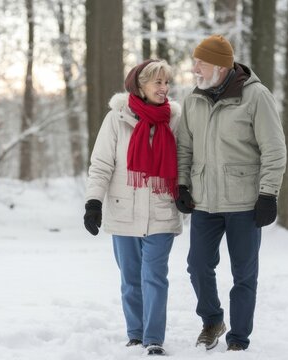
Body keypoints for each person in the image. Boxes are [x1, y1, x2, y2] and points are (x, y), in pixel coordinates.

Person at [175, 35, 286, 352]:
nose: (195, 67)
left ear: (221, 65)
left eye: (201, 62)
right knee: (197, 265)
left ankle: (239, 338)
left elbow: (274, 149)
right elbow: (184, 147)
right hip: (204, 202)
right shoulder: (192, 99)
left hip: (244, 202)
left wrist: (268, 194)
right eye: (195, 61)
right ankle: (212, 320)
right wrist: (182, 184)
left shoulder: (256, 96)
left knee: (244, 273)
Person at [83, 59, 182, 356]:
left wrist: (186, 189)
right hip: (123, 209)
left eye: (167, 82)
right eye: (157, 82)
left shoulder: (175, 119)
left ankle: (153, 339)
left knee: (154, 275)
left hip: (161, 208)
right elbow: (101, 165)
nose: (164, 88)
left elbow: (186, 160)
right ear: (140, 86)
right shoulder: (117, 118)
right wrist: (93, 202)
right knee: (130, 278)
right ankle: (135, 335)